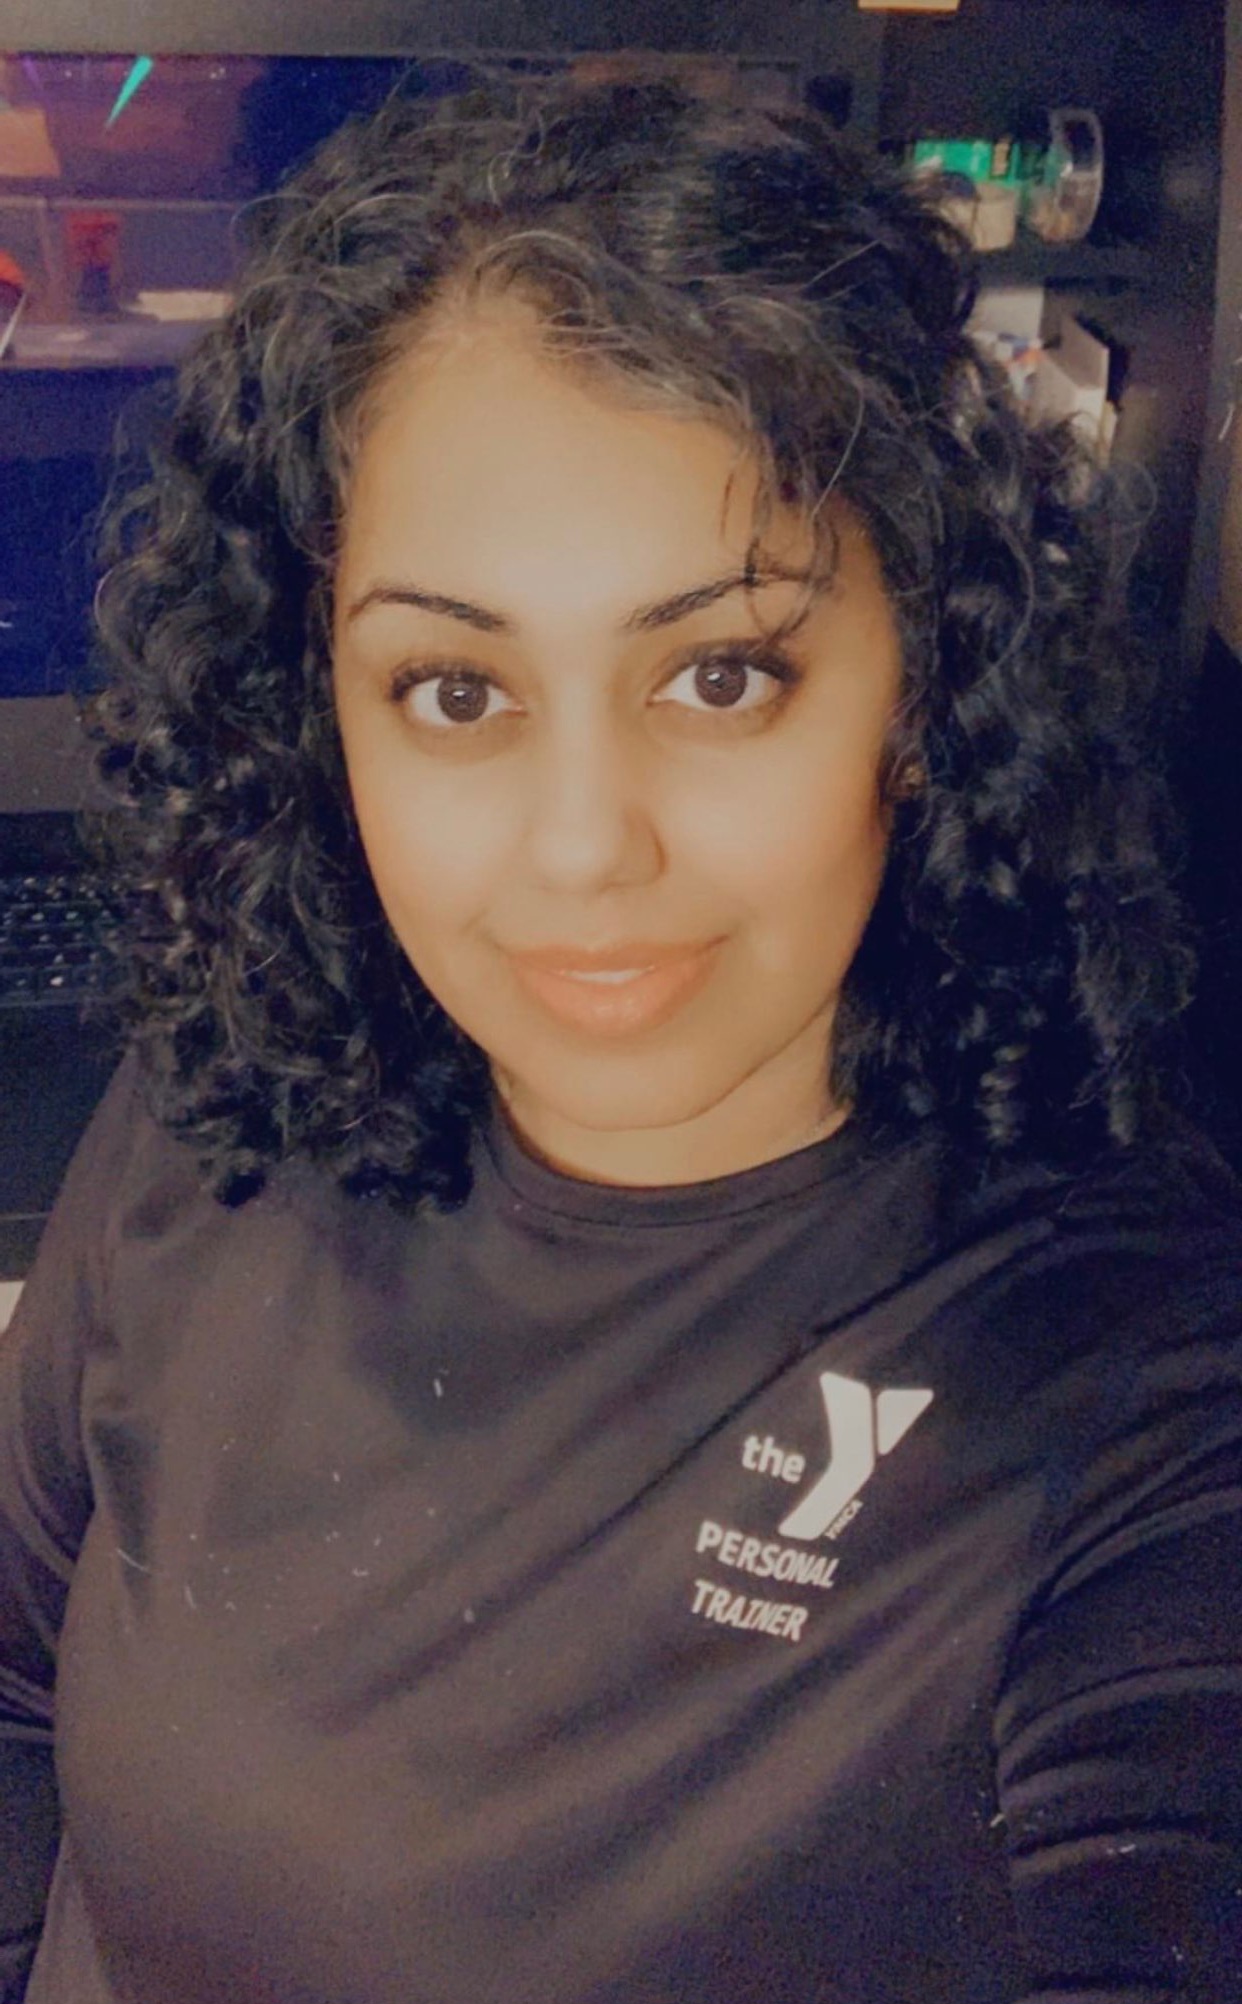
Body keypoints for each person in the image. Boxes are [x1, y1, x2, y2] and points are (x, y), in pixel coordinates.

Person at [1, 67, 1240, 2004]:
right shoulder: (222, 1092)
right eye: (455, 691)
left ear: (926, 681)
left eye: (721, 675)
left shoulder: (1131, 1395)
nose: (585, 848)